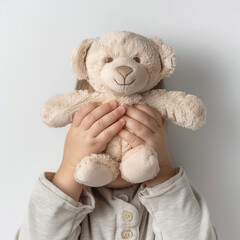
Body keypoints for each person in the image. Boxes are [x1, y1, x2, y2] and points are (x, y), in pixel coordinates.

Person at [15, 80, 218, 240]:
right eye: (101, 125)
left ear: (159, 124)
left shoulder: (169, 198)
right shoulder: (72, 202)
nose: (117, 138)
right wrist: (70, 167)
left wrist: (162, 170)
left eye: (132, 126)